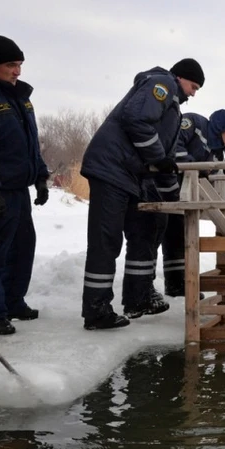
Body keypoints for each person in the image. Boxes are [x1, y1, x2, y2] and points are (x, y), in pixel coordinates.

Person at [79, 58, 204, 330]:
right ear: (181, 77)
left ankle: (138, 297)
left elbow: (164, 163)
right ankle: (96, 309)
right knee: (106, 239)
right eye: (193, 86)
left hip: (132, 174)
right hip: (111, 168)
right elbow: (135, 119)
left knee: (149, 226)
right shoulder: (162, 84)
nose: (193, 93)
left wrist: (175, 202)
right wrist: (159, 158)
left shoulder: (173, 111)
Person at [0, 36, 50, 335]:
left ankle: (13, 301)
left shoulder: (21, 97)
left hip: (20, 188)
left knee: (22, 247)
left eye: (19, 65)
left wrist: (40, 176)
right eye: (10, 65)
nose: (17, 71)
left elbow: (31, 144)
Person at [161, 109, 225, 296]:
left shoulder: (217, 155)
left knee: (179, 236)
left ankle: (177, 284)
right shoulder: (194, 123)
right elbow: (174, 144)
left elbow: (211, 176)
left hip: (185, 197)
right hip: (162, 187)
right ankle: (141, 290)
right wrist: (195, 167)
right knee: (152, 235)